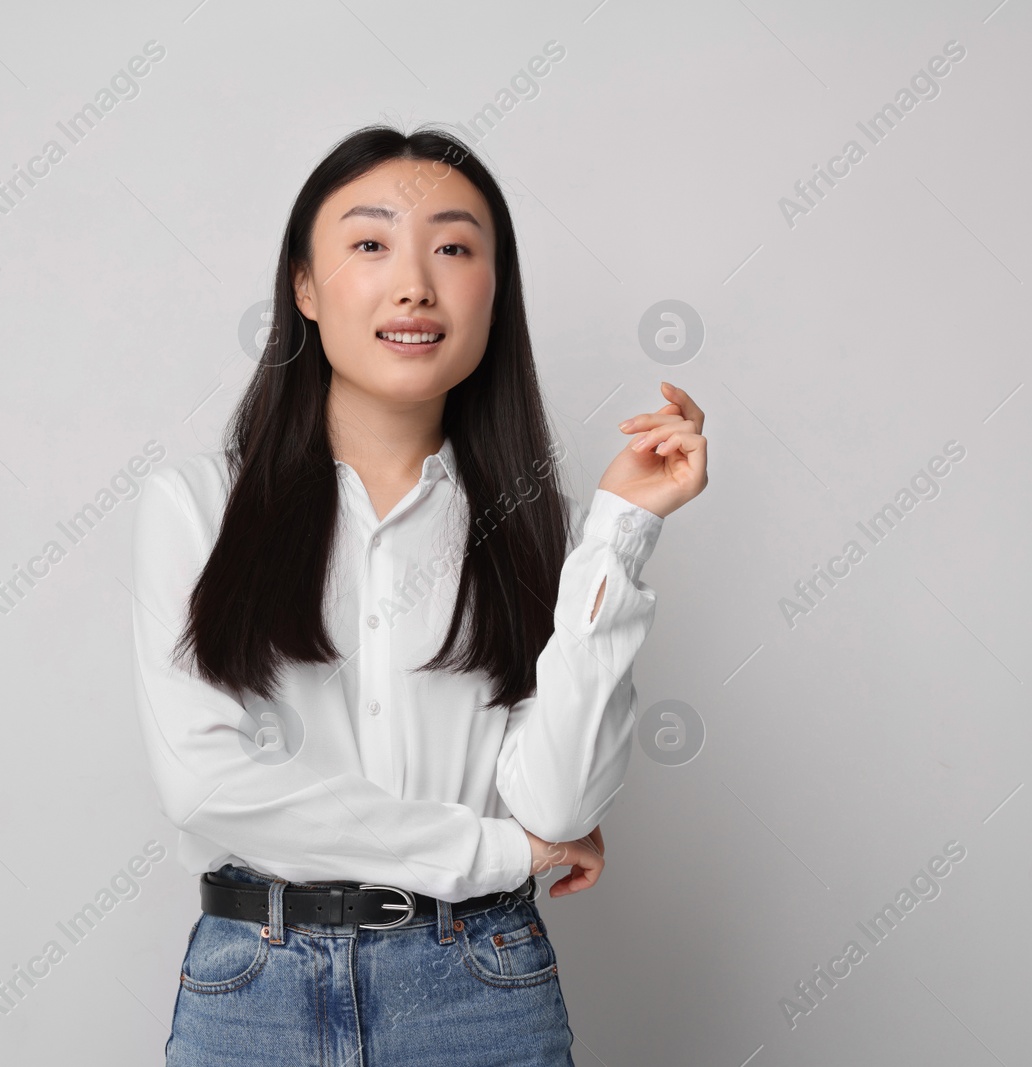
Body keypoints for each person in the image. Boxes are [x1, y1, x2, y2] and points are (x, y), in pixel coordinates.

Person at [131, 123, 708, 1066]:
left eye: (453, 247)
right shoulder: (197, 507)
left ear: (494, 290)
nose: (414, 284)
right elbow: (208, 784)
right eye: (370, 244)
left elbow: (557, 802)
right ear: (305, 288)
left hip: (477, 989)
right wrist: (497, 852)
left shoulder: (539, 526)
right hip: (254, 994)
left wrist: (619, 529)